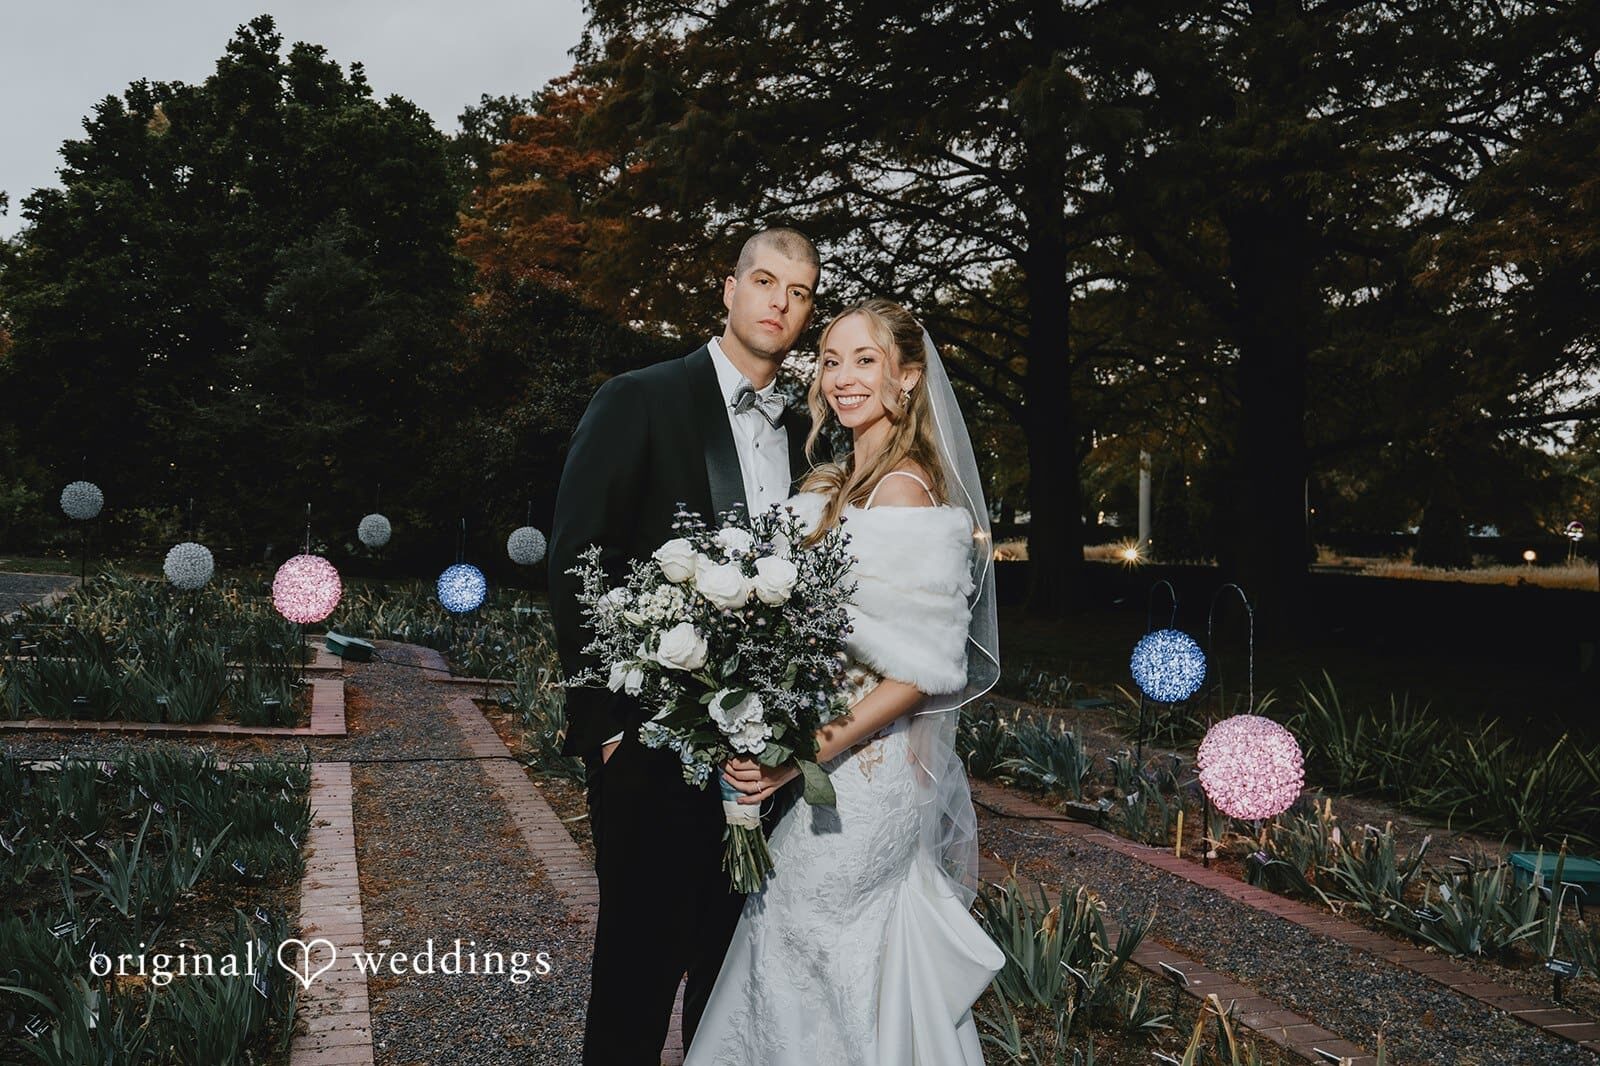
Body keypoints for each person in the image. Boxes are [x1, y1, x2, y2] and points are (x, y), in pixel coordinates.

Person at [687, 298, 1004, 1065]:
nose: (842, 378)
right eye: (831, 360)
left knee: (813, 935)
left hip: (865, 776)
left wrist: (798, 755)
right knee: (793, 933)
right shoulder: (832, 483)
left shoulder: (905, 490)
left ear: (907, 376)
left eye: (865, 360)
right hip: (818, 762)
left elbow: (918, 675)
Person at [547, 227, 822, 1065]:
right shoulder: (642, 398)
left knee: (733, 981)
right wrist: (606, 726)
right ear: (728, 290)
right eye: (766, 281)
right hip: (651, 750)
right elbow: (577, 562)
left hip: (770, 766)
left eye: (801, 291)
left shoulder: (817, 431)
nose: (780, 301)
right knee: (636, 978)